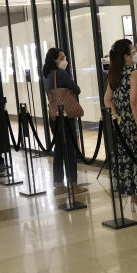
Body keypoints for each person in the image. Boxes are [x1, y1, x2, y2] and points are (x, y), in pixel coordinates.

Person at [103, 39, 137, 209]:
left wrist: (117, 114)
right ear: (126, 56)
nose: (135, 54)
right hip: (134, 123)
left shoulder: (114, 74)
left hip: (121, 125)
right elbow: (134, 102)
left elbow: (107, 99)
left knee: (128, 161)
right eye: (133, 51)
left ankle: (136, 195)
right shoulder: (134, 74)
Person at [42, 48, 86, 196]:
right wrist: (69, 74)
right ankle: (73, 184)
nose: (64, 60)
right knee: (70, 150)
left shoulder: (46, 75)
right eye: (62, 58)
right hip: (65, 116)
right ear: (54, 60)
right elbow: (76, 89)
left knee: (59, 150)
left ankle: (59, 184)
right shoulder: (60, 74)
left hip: (53, 116)